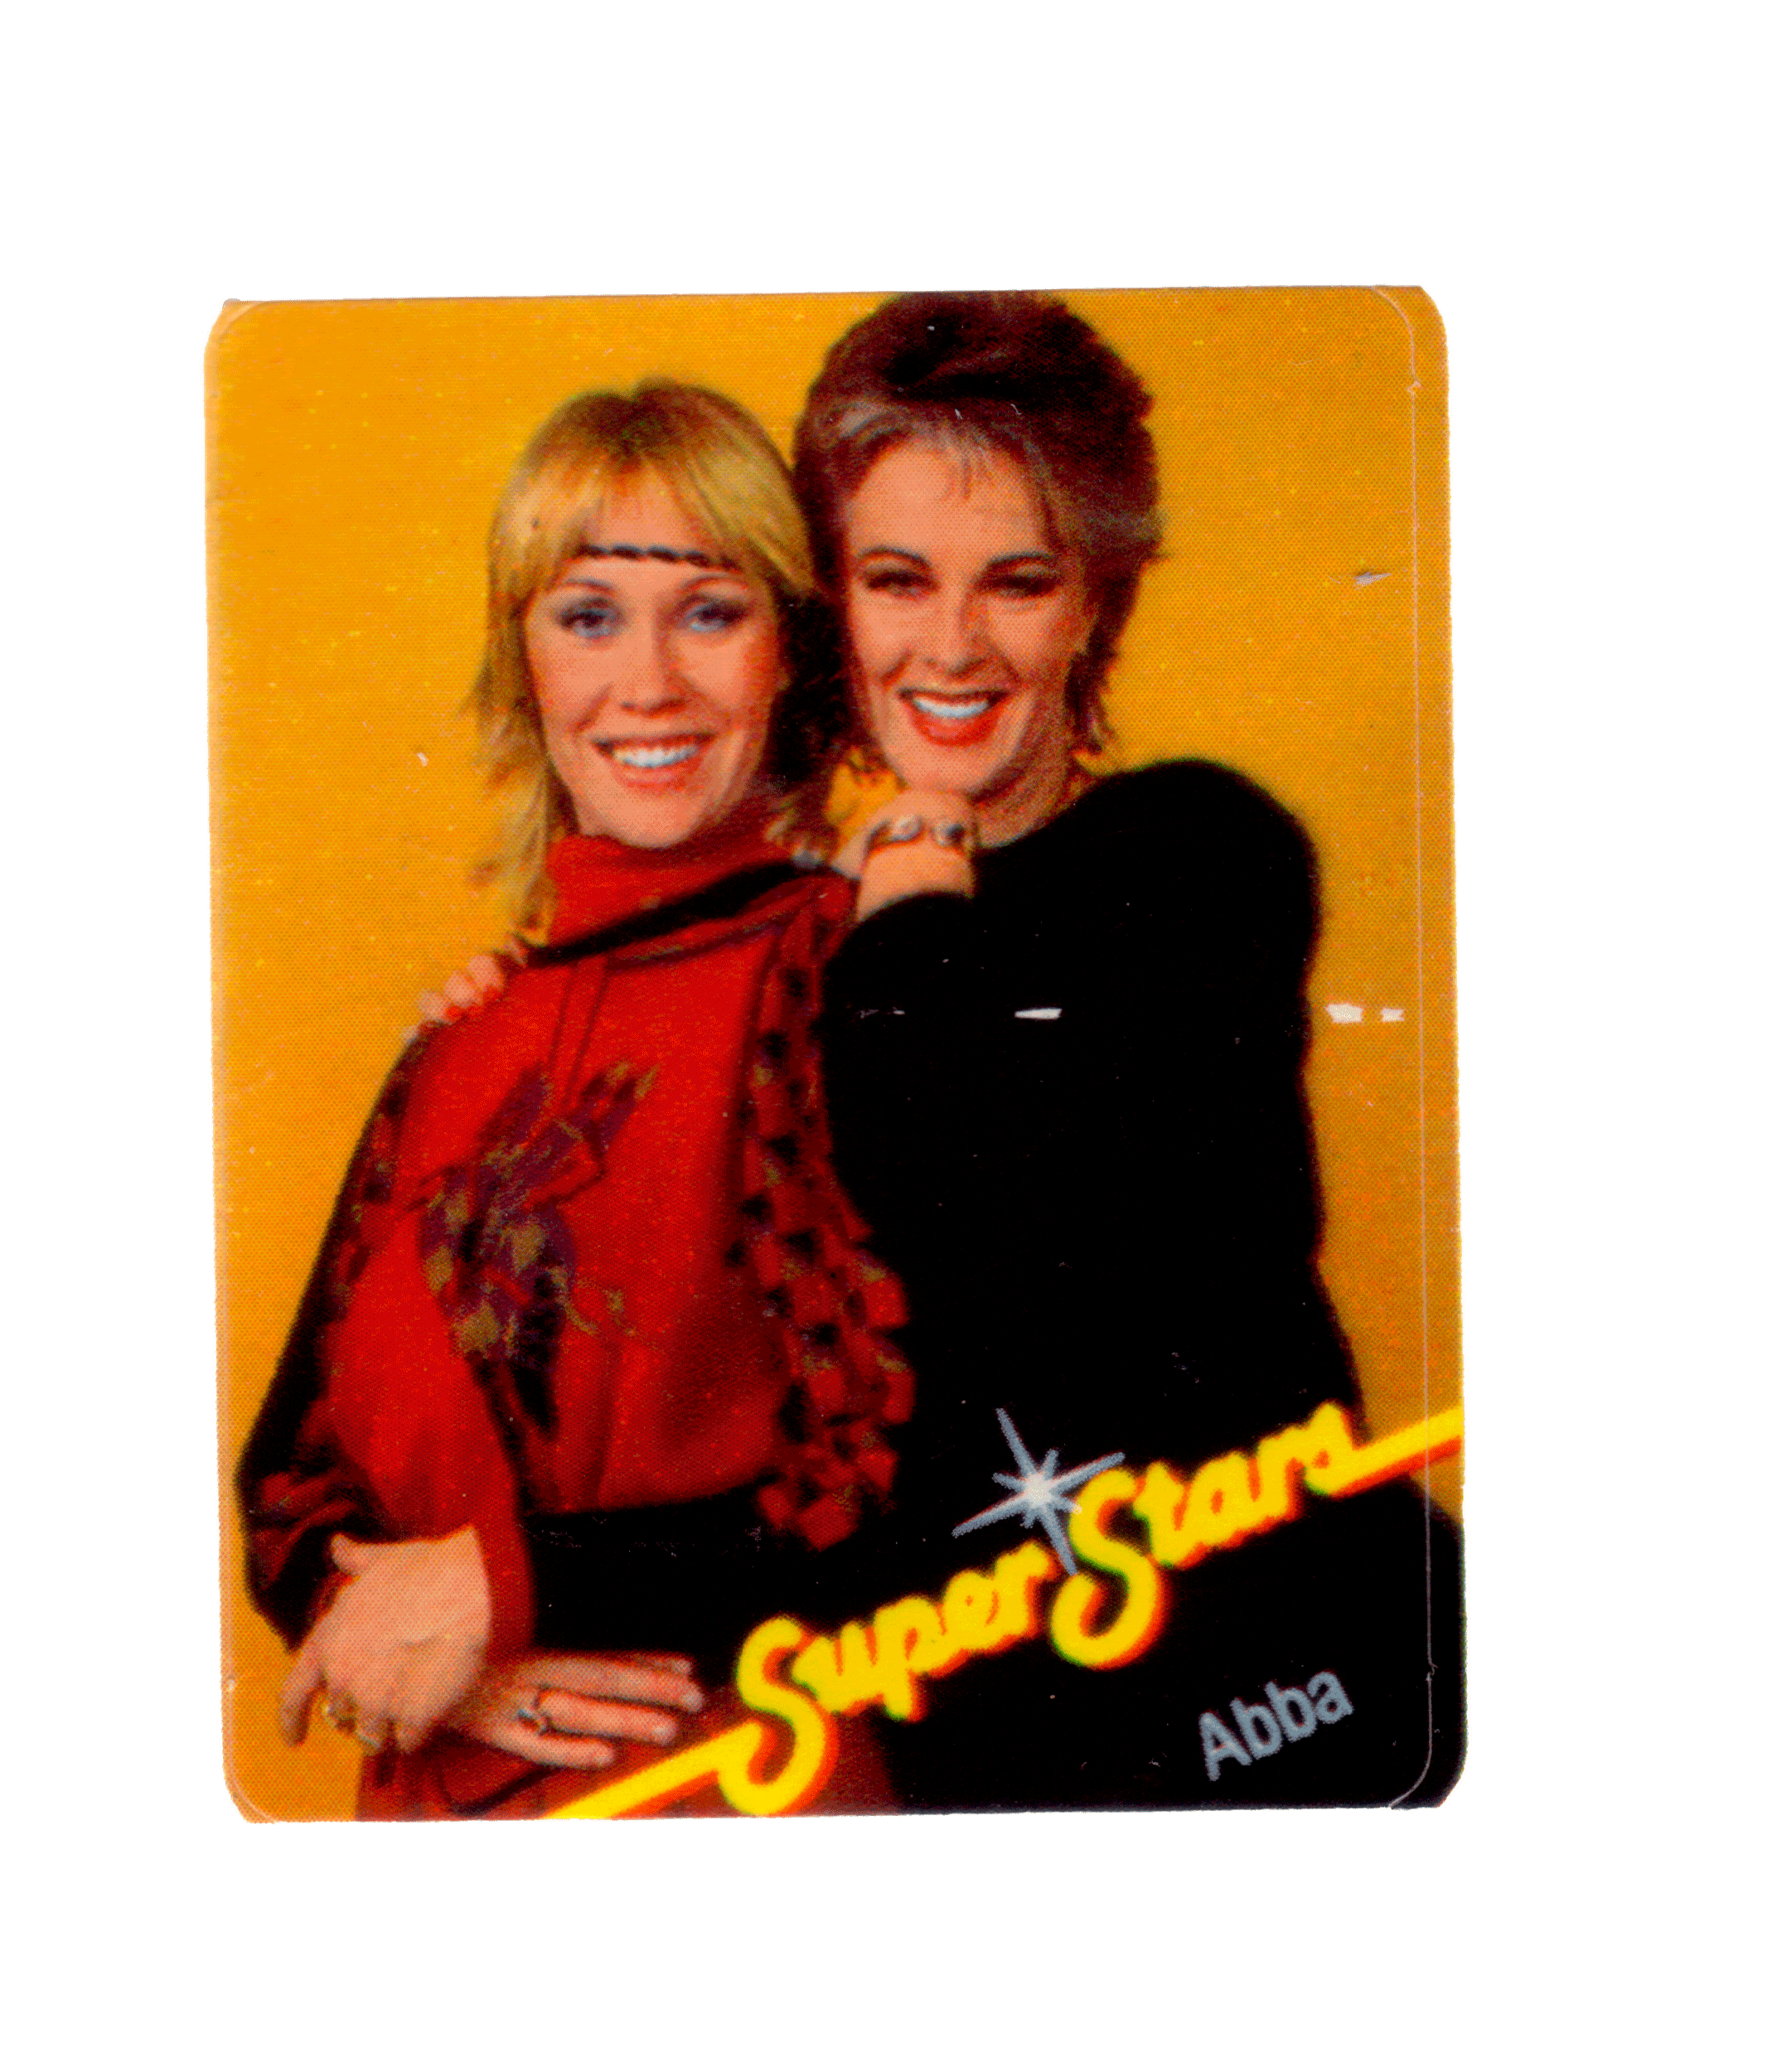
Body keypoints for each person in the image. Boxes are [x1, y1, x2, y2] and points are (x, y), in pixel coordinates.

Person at [801, 292, 1463, 1808]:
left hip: (1305, 1696)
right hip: (1002, 1757)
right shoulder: (800, 943)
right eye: (897, 580)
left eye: (1017, 581)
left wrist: (908, 885)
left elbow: (980, 1209)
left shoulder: (1198, 852)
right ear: (835, 598)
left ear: (1098, 597)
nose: (951, 646)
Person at [236, 380, 913, 1818]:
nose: (648, 683)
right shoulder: (459, 1042)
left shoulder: (844, 972)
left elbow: (901, 1478)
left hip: (732, 1812)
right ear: (522, 656)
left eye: (709, 611)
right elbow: (288, 1483)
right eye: (588, 615)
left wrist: (507, 1590)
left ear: (790, 649)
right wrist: (442, 1661)